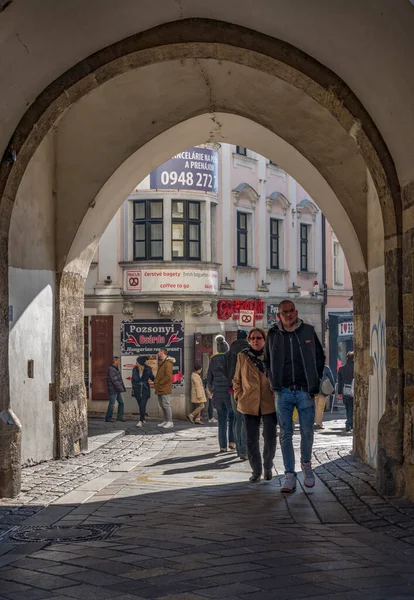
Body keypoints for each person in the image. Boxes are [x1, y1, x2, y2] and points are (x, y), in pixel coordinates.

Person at [265, 300, 325, 492]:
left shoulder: (307, 331)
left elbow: (319, 357)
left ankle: (306, 465)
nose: (288, 314)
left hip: (304, 390)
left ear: (296, 312)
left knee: (307, 431)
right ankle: (289, 475)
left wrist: (313, 381)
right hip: (282, 391)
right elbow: (267, 360)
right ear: (279, 315)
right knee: (285, 434)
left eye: (291, 311)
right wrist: (273, 380)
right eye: (284, 312)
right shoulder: (273, 334)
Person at [233, 328, 277, 483]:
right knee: (251, 439)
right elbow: (237, 379)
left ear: (264, 340)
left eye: (259, 338)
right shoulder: (242, 356)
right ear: (249, 340)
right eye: (252, 338)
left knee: (270, 437)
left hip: (268, 402)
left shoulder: (271, 355)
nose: (255, 341)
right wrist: (239, 395)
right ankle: (256, 470)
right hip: (249, 402)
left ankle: (267, 466)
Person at [207, 334, 235, 452]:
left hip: (218, 394)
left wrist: (212, 390)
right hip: (229, 393)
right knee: (232, 418)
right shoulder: (230, 357)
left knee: (221, 420)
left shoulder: (213, 359)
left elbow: (209, 378)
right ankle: (232, 443)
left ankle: (222, 446)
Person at [226, 330, 249, 461]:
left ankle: (239, 449)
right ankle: (244, 450)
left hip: (233, 389)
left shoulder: (229, 353)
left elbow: (225, 369)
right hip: (247, 389)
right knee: (246, 419)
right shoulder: (250, 350)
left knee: (237, 418)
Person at [154, 348, 175, 429]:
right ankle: (166, 420)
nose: (158, 353)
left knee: (166, 405)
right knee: (162, 405)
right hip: (160, 387)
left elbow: (168, 376)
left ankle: (170, 421)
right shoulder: (162, 362)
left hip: (164, 387)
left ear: (162, 352)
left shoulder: (168, 363)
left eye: (159, 352)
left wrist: (160, 382)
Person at [132, 355, 154, 427]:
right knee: (141, 405)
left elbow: (153, 378)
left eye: (137, 361)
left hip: (145, 389)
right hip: (137, 389)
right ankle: (143, 418)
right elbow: (134, 379)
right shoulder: (135, 369)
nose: (136, 363)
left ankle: (140, 421)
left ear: (139, 362)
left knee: (142, 405)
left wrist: (159, 382)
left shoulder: (148, 369)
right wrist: (134, 386)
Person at [314, 364, 335, 430]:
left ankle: (317, 422)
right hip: (323, 390)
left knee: (316, 407)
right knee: (320, 407)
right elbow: (331, 378)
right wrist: (332, 390)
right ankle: (318, 423)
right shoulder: (325, 367)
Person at [337, 351, 355, 432]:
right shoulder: (356, 368)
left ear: (347, 358)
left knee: (348, 408)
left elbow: (340, 382)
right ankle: (351, 423)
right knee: (354, 408)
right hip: (355, 390)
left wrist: (340, 392)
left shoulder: (341, 369)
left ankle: (349, 423)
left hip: (346, 391)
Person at [105, 356, 126, 422]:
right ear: (115, 361)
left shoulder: (115, 368)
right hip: (113, 389)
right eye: (118, 361)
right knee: (112, 404)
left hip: (117, 389)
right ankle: (108, 418)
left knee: (121, 403)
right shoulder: (112, 369)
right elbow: (115, 380)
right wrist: (120, 388)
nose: (119, 362)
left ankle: (119, 417)